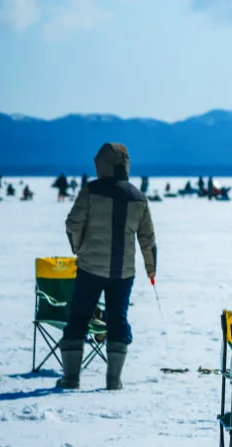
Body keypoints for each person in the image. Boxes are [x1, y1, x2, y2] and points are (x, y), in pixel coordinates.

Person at [57, 143, 157, 390]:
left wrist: (78, 248)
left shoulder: (90, 191)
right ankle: (113, 380)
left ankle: (70, 379)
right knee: (117, 320)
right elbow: (148, 239)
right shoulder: (138, 197)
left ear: (101, 165)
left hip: (90, 268)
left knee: (79, 318)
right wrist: (151, 269)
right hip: (123, 273)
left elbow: (72, 225)